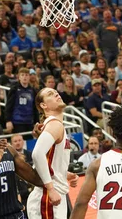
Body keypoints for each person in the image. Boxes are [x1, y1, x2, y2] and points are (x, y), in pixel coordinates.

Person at [26, 88, 76, 219]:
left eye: (56, 92)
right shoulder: (54, 125)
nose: (56, 94)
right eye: (50, 94)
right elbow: (37, 155)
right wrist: (51, 189)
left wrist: (64, 174)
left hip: (52, 193)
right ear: (43, 105)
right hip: (47, 195)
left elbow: (49, 160)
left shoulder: (55, 125)